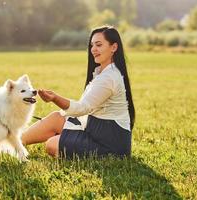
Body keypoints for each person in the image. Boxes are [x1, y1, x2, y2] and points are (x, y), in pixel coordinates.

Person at [22, 26, 135, 159]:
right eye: (92, 45)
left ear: (114, 47)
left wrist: (55, 98)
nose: (93, 49)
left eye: (99, 45)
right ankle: (13, 142)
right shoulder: (101, 72)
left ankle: (13, 143)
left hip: (110, 144)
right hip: (95, 130)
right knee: (56, 118)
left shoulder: (109, 78)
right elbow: (84, 108)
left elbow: (83, 108)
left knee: (52, 144)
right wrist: (67, 120)